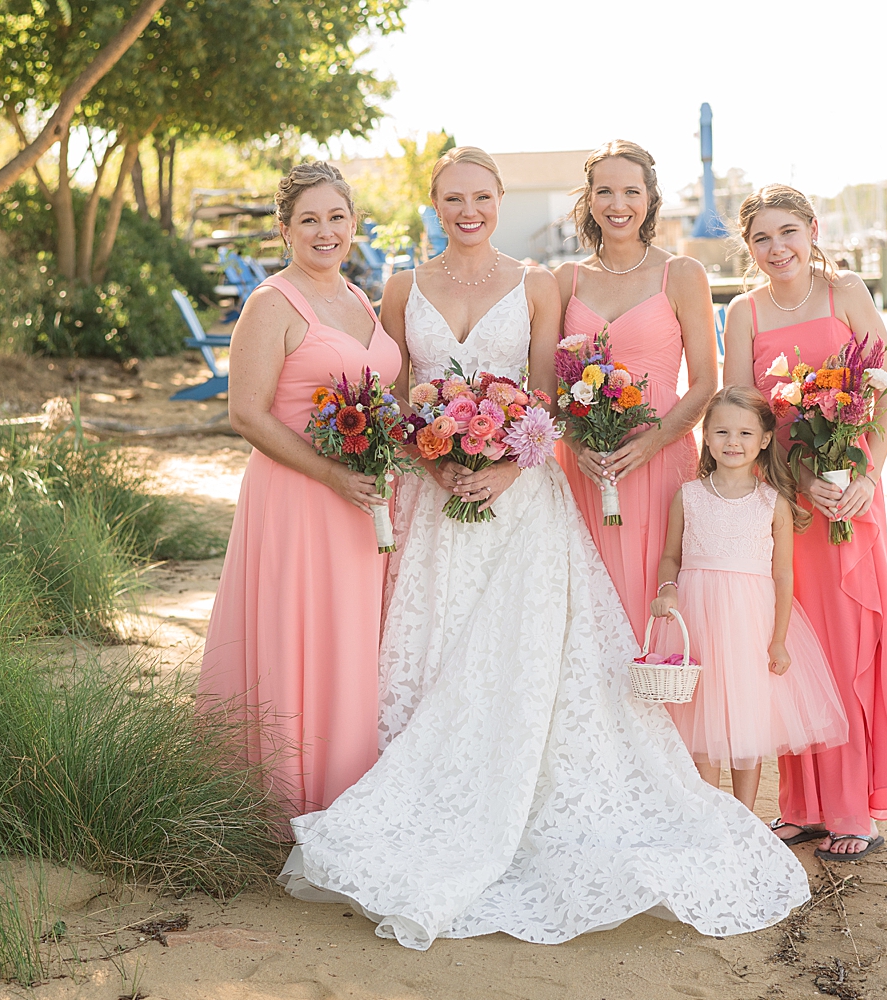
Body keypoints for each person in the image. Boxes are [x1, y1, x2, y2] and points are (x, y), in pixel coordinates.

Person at [276, 148, 811, 950]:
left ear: (498, 202)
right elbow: (392, 401)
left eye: (483, 197)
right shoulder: (398, 287)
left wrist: (498, 468)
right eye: (454, 197)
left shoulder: (535, 283)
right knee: (433, 649)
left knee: (530, 661)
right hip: (431, 496)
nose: (470, 210)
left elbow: (541, 398)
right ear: (433, 202)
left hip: (521, 498)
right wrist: (436, 457)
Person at [722, 183, 887, 861]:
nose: (776, 248)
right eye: (761, 238)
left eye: (787, 232)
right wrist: (791, 477)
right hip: (786, 494)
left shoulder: (847, 293)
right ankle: (803, 805)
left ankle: (851, 810)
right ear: (748, 246)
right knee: (788, 644)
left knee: (845, 647)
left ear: (812, 230)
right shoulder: (744, 312)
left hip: (851, 496)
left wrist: (867, 478)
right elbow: (741, 411)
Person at [196, 162, 402, 817]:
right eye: (308, 220)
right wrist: (334, 474)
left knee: (347, 644)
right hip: (298, 497)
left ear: (353, 223)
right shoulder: (271, 303)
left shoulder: (357, 299)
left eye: (336, 217)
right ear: (285, 230)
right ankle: (286, 805)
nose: (324, 231)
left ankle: (342, 798)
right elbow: (246, 413)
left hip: (359, 501)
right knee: (299, 639)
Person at [650, 386, 848, 812]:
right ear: (706, 437)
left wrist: (777, 640)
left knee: (746, 721)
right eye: (721, 432)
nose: (732, 442)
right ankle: (707, 813)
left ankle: (742, 816)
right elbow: (670, 557)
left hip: (749, 623)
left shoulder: (772, 502)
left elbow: (781, 575)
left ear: (763, 440)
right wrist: (667, 591)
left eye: (744, 433)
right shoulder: (688, 495)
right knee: (701, 720)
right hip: (699, 619)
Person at [554, 141, 716, 639]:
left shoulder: (682, 274)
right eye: (604, 191)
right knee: (588, 593)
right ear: (589, 199)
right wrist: (578, 445)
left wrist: (652, 442)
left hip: (660, 454)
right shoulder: (566, 279)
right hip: (585, 463)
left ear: (650, 198)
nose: (617, 204)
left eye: (630, 191)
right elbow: (548, 383)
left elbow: (707, 381)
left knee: (655, 581)